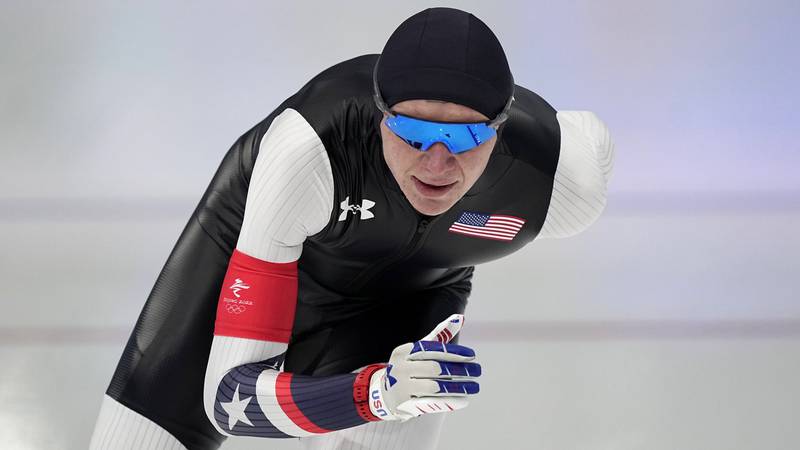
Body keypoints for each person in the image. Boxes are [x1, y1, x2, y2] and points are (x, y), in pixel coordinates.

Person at [89, 7, 614, 450]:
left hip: (407, 300)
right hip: (270, 249)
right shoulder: (309, 154)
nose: (435, 164)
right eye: (411, 132)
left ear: (500, 129)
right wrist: (377, 393)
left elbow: (589, 134)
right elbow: (229, 401)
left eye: (465, 137)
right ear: (380, 115)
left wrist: (382, 391)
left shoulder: (560, 184)